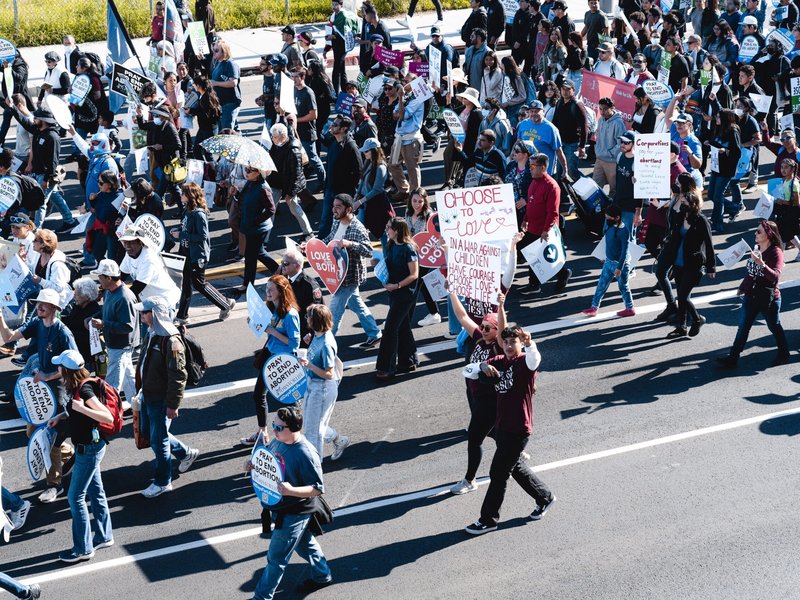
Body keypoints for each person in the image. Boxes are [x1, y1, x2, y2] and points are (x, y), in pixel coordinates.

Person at [463, 325, 554, 535]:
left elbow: (535, 359)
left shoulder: (525, 363)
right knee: (515, 467)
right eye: (505, 342)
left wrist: (531, 344)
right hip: (502, 425)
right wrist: (483, 366)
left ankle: (488, 519)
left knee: (498, 474)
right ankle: (545, 497)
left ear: (520, 344)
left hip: (518, 428)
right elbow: (467, 371)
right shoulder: (499, 361)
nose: (509, 345)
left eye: (513, 342)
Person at [0, 289, 77, 503]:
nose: (39, 306)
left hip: (58, 392)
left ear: (54, 308)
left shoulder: (63, 333)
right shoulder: (36, 323)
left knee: (47, 440)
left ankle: (54, 486)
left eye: (44, 303)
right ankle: (72, 455)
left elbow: (74, 364)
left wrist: (48, 375)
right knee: (33, 433)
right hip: (40, 392)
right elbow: (8, 337)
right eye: (38, 302)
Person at [250, 406, 332, 600]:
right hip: (281, 506)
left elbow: (317, 488)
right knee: (305, 543)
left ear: (293, 427)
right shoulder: (279, 441)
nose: (274, 430)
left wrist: (290, 490)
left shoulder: (306, 453)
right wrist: (252, 464)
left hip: (295, 512)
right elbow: (269, 461)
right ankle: (322, 575)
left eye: (279, 427)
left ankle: (261, 597)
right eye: (273, 425)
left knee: (276, 558)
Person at [45, 350, 114, 563]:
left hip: (89, 450)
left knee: (75, 497)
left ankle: (83, 549)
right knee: (96, 491)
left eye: (59, 366)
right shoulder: (78, 384)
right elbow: (73, 409)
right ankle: (104, 536)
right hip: (91, 446)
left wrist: (83, 409)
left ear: (66, 370)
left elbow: (107, 416)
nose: (57, 368)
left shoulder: (84, 389)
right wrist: (60, 416)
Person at [135, 296, 199, 498]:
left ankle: (163, 481)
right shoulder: (152, 333)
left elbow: (178, 375)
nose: (141, 315)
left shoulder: (171, 341)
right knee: (149, 432)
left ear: (154, 314)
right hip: (148, 394)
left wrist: (172, 404)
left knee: (158, 440)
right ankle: (186, 453)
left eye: (144, 312)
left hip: (160, 399)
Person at [448, 291, 506, 495]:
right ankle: (513, 449)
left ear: (497, 330)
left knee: (474, 438)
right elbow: (463, 316)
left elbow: (503, 329)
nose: (482, 329)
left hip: (489, 400)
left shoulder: (499, 346)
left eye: (488, 328)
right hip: (475, 393)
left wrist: (501, 306)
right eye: (482, 326)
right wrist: (452, 293)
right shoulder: (480, 337)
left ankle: (469, 480)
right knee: (489, 430)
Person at [307, 194, 382, 347]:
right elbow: (330, 239)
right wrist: (311, 245)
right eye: (333, 206)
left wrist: (350, 244)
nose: (333, 209)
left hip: (349, 277)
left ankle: (324, 346)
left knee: (334, 312)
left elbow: (368, 250)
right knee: (356, 304)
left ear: (348, 209)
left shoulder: (357, 227)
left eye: (338, 207)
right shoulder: (337, 221)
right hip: (338, 274)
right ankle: (375, 333)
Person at [717, 220, 790, 367]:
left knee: (774, 326)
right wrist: (743, 286)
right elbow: (751, 273)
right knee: (743, 327)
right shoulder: (757, 249)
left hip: (768, 298)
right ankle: (733, 357)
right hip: (751, 294)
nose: (755, 233)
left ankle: (784, 353)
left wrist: (761, 264)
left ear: (768, 235)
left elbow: (775, 277)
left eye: (759, 231)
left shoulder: (776, 252)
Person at [243, 275, 301, 446]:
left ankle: (296, 433)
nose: (267, 292)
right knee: (258, 394)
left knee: (289, 400)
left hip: (283, 360)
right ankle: (263, 433)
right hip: (270, 355)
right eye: (266, 288)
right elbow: (264, 330)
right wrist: (255, 324)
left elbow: (294, 343)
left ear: (281, 292)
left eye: (271, 289)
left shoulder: (290, 314)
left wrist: (273, 332)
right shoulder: (270, 309)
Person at [173, 183, 236, 324]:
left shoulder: (198, 214)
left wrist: (182, 235)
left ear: (190, 196)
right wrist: (178, 231)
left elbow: (202, 236)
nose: (181, 195)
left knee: (199, 285)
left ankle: (225, 304)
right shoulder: (186, 210)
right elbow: (185, 228)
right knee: (186, 285)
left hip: (197, 256)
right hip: (186, 253)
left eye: (183, 193)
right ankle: (182, 315)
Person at [6, 105, 76, 230]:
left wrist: (46, 179)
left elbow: (53, 162)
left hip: (45, 176)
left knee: (40, 204)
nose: (34, 120)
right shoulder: (39, 130)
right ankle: (69, 221)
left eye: (36, 118)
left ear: (43, 120)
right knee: (55, 197)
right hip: (39, 173)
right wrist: (13, 108)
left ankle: (36, 231)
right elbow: (25, 122)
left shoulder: (52, 137)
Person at [298, 304, 349, 460]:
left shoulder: (327, 344)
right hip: (312, 383)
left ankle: (314, 465)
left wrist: (310, 365)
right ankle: (339, 440)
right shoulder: (318, 334)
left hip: (322, 388)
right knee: (311, 426)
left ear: (316, 320)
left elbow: (329, 374)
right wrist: (309, 339)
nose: (306, 319)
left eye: (308, 317)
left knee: (313, 432)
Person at [663, 192, 716, 339]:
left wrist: (711, 266)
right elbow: (671, 225)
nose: (682, 204)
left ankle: (697, 319)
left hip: (694, 263)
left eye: (684, 202)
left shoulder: (701, 220)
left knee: (683, 296)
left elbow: (709, 244)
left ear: (693, 204)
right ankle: (682, 326)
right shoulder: (680, 216)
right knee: (681, 296)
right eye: (681, 202)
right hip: (679, 261)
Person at [519, 153, 572, 292]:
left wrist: (546, 230)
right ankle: (561, 274)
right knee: (535, 255)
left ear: (542, 168)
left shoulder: (552, 187)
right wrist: (525, 219)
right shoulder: (534, 181)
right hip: (533, 227)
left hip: (543, 229)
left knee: (537, 256)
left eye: (532, 166)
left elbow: (553, 212)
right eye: (529, 165)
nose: (529, 169)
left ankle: (535, 284)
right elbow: (530, 204)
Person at [375, 218, 419, 380]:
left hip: (405, 294)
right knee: (403, 326)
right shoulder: (392, 244)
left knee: (390, 328)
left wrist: (398, 285)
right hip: (394, 292)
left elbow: (414, 275)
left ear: (397, 230)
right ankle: (408, 361)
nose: (386, 230)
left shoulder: (409, 249)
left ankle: (387, 368)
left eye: (389, 227)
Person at [90, 259, 138, 407]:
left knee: (111, 385)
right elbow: (108, 313)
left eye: (100, 277)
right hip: (115, 344)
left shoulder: (124, 297)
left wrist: (104, 324)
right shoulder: (110, 292)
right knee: (129, 380)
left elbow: (128, 326)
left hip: (121, 346)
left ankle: (108, 416)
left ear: (109, 278)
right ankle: (138, 406)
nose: (98, 279)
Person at [581, 205, 636, 317]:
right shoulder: (610, 226)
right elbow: (607, 242)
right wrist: (604, 256)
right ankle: (594, 308)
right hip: (609, 261)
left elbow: (624, 251)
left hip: (621, 265)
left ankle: (630, 308)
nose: (607, 219)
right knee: (601, 285)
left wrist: (619, 267)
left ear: (616, 217)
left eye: (609, 217)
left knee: (623, 287)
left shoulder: (623, 231)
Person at [235, 165, 279, 292]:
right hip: (249, 225)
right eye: (246, 169)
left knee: (250, 256)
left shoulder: (263, 188)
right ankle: (278, 270)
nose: (247, 172)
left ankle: (247, 285)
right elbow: (243, 199)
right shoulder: (250, 183)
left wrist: (255, 221)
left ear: (259, 173)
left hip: (258, 228)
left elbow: (271, 209)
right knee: (258, 253)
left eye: (250, 170)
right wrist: (236, 194)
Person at [319, 114, 362, 237]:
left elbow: (358, 171)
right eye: (333, 124)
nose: (332, 126)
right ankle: (322, 246)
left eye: (335, 125)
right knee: (325, 221)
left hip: (343, 193)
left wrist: (348, 191)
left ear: (343, 129)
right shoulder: (333, 142)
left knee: (342, 222)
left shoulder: (351, 146)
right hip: (330, 190)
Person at [119, 226, 181, 308]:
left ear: (140, 242)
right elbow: (121, 276)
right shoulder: (129, 253)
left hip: (163, 301)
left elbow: (138, 286)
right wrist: (104, 289)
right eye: (125, 242)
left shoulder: (148, 258)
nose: (127, 246)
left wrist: (118, 299)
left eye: (131, 242)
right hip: (148, 300)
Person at [387, 80, 424, 203]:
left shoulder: (418, 99)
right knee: (393, 164)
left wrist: (401, 97)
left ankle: (414, 196)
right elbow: (395, 115)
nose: (404, 83)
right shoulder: (406, 98)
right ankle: (404, 191)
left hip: (410, 138)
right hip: (399, 137)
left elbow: (402, 115)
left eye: (407, 81)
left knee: (412, 168)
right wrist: (401, 99)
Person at [705, 107, 741, 233]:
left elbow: (737, 152)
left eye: (719, 117)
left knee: (718, 196)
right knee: (711, 195)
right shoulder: (719, 128)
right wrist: (710, 143)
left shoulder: (733, 131)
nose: (716, 119)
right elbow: (717, 142)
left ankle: (717, 223)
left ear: (725, 119)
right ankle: (733, 207)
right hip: (716, 166)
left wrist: (725, 151)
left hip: (726, 169)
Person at [277, 248, 323, 345]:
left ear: (297, 266)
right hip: (287, 327)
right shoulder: (284, 279)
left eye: (286, 263)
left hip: (302, 332)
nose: (282, 266)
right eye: (282, 262)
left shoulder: (309, 285)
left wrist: (311, 333)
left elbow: (317, 313)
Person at [516, 101, 568, 177]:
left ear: (543, 112)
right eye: (531, 111)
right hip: (527, 168)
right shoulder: (523, 124)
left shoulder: (551, 129)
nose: (533, 114)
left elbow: (558, 151)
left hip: (544, 171)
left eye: (537, 111)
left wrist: (565, 170)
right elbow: (519, 142)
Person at [551, 79, 587, 181]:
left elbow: (585, 127)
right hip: (560, 143)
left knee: (572, 171)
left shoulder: (577, 105)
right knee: (558, 171)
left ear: (573, 90)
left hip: (572, 144)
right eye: (563, 89)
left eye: (567, 89)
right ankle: (562, 195)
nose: (565, 92)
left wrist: (582, 146)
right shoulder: (559, 102)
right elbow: (555, 121)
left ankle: (588, 189)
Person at [593, 97, 627, 198]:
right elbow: (598, 136)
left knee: (614, 189)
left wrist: (610, 153)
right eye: (600, 109)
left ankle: (612, 211)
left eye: (605, 109)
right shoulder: (600, 120)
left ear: (612, 108)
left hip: (612, 162)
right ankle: (597, 210)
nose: (602, 112)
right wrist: (598, 150)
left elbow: (621, 143)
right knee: (595, 186)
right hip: (599, 159)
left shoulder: (618, 123)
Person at [323, 0, 359, 94]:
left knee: (337, 70)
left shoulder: (344, 17)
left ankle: (336, 92)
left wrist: (334, 36)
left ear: (341, 5)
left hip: (343, 47)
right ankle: (344, 91)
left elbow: (346, 34)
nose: (333, 7)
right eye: (332, 4)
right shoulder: (333, 16)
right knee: (341, 70)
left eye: (336, 5)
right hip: (336, 46)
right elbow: (330, 31)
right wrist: (326, 49)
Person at [614, 130, 643, 240]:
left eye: (626, 143)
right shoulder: (620, 156)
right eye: (622, 141)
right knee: (613, 234)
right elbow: (618, 180)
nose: (623, 145)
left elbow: (640, 190)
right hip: (618, 202)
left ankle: (629, 258)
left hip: (630, 207)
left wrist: (638, 213)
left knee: (628, 238)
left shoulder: (637, 163)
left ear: (634, 144)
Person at [186, 75, 221, 159]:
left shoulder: (207, 97)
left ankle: (210, 171)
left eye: (194, 84)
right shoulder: (205, 95)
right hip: (204, 128)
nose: (193, 86)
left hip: (208, 129)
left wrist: (191, 111)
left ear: (198, 85)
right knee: (197, 150)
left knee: (207, 154)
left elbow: (205, 114)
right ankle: (204, 169)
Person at [210, 39, 241, 130]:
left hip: (229, 102)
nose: (214, 52)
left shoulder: (230, 64)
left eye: (216, 50)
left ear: (224, 51)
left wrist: (216, 83)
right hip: (221, 102)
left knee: (227, 131)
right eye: (213, 50)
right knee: (233, 129)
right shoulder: (218, 62)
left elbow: (233, 82)